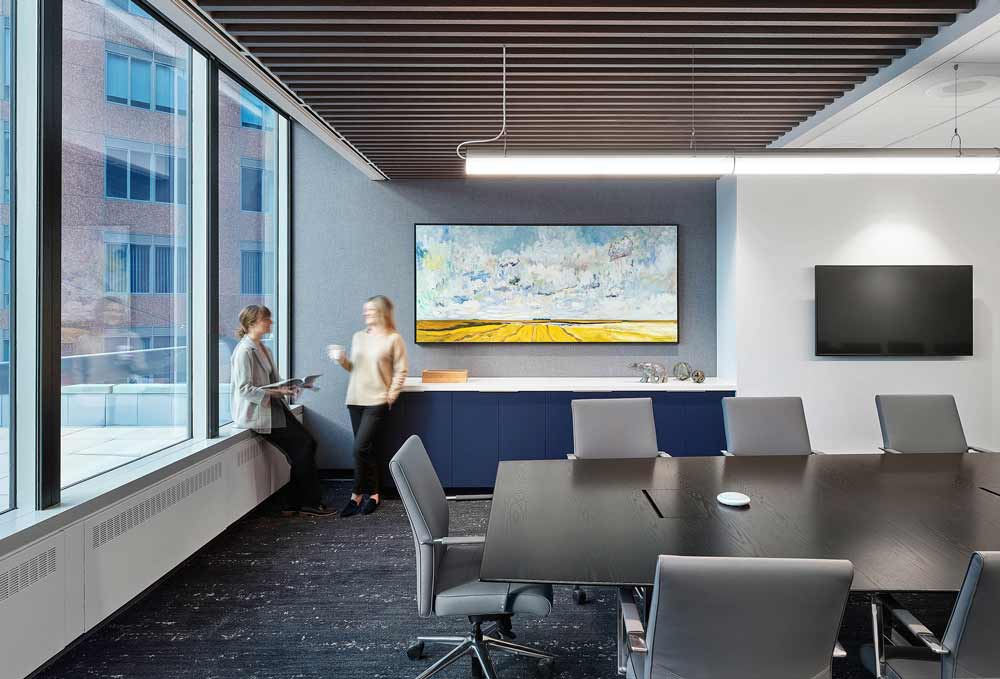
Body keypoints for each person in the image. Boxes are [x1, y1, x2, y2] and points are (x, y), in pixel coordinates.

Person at [231, 305, 335, 517]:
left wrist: (290, 387)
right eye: (266, 319)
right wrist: (276, 393)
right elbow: (244, 389)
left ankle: (295, 502)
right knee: (304, 445)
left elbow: (273, 382)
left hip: (275, 408)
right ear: (251, 324)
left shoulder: (264, 348)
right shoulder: (244, 351)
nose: (270, 322)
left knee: (307, 444)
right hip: (260, 413)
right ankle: (306, 502)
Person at [329, 295, 408, 517]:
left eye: (370, 310)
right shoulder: (358, 337)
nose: (365, 314)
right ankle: (373, 494)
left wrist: (390, 395)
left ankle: (355, 494)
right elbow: (354, 368)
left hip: (377, 400)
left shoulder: (393, 339)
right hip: (355, 399)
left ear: (382, 312)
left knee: (359, 448)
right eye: (365, 310)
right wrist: (342, 360)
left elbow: (401, 370)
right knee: (366, 449)